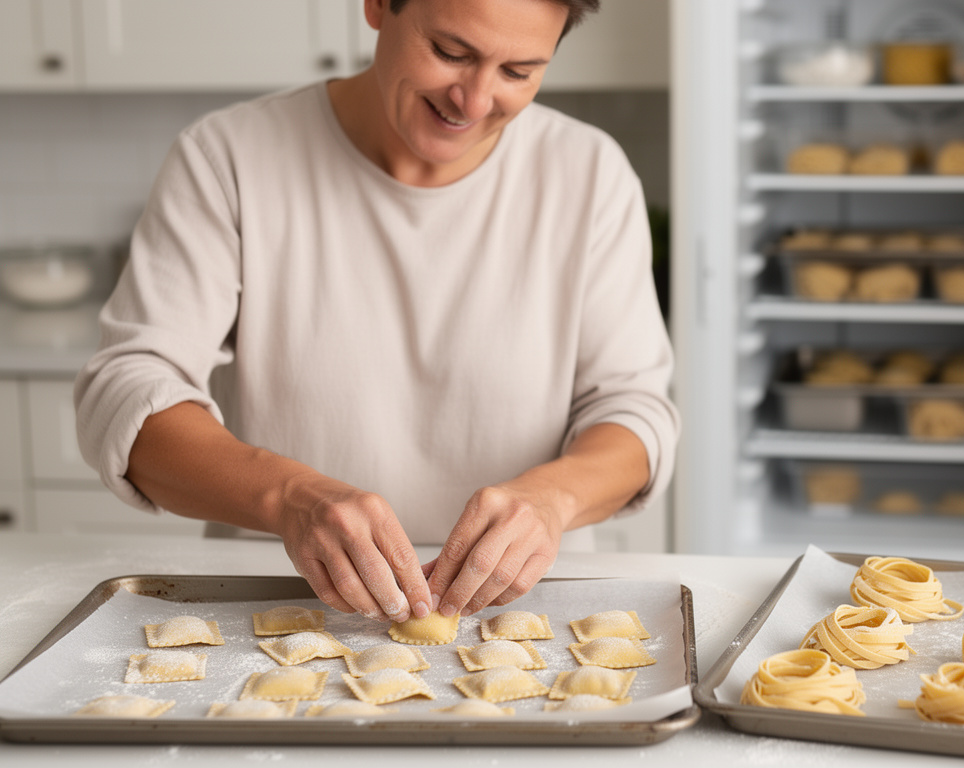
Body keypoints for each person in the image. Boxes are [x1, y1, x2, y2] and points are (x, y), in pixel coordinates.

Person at [73, 0, 678, 628]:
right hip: (277, 614)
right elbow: (126, 395)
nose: (473, 101)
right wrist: (287, 497)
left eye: (519, 72)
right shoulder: (227, 157)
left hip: (527, 620)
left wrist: (554, 499)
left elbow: (634, 414)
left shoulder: (590, 175)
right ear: (375, 7)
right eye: (450, 52)